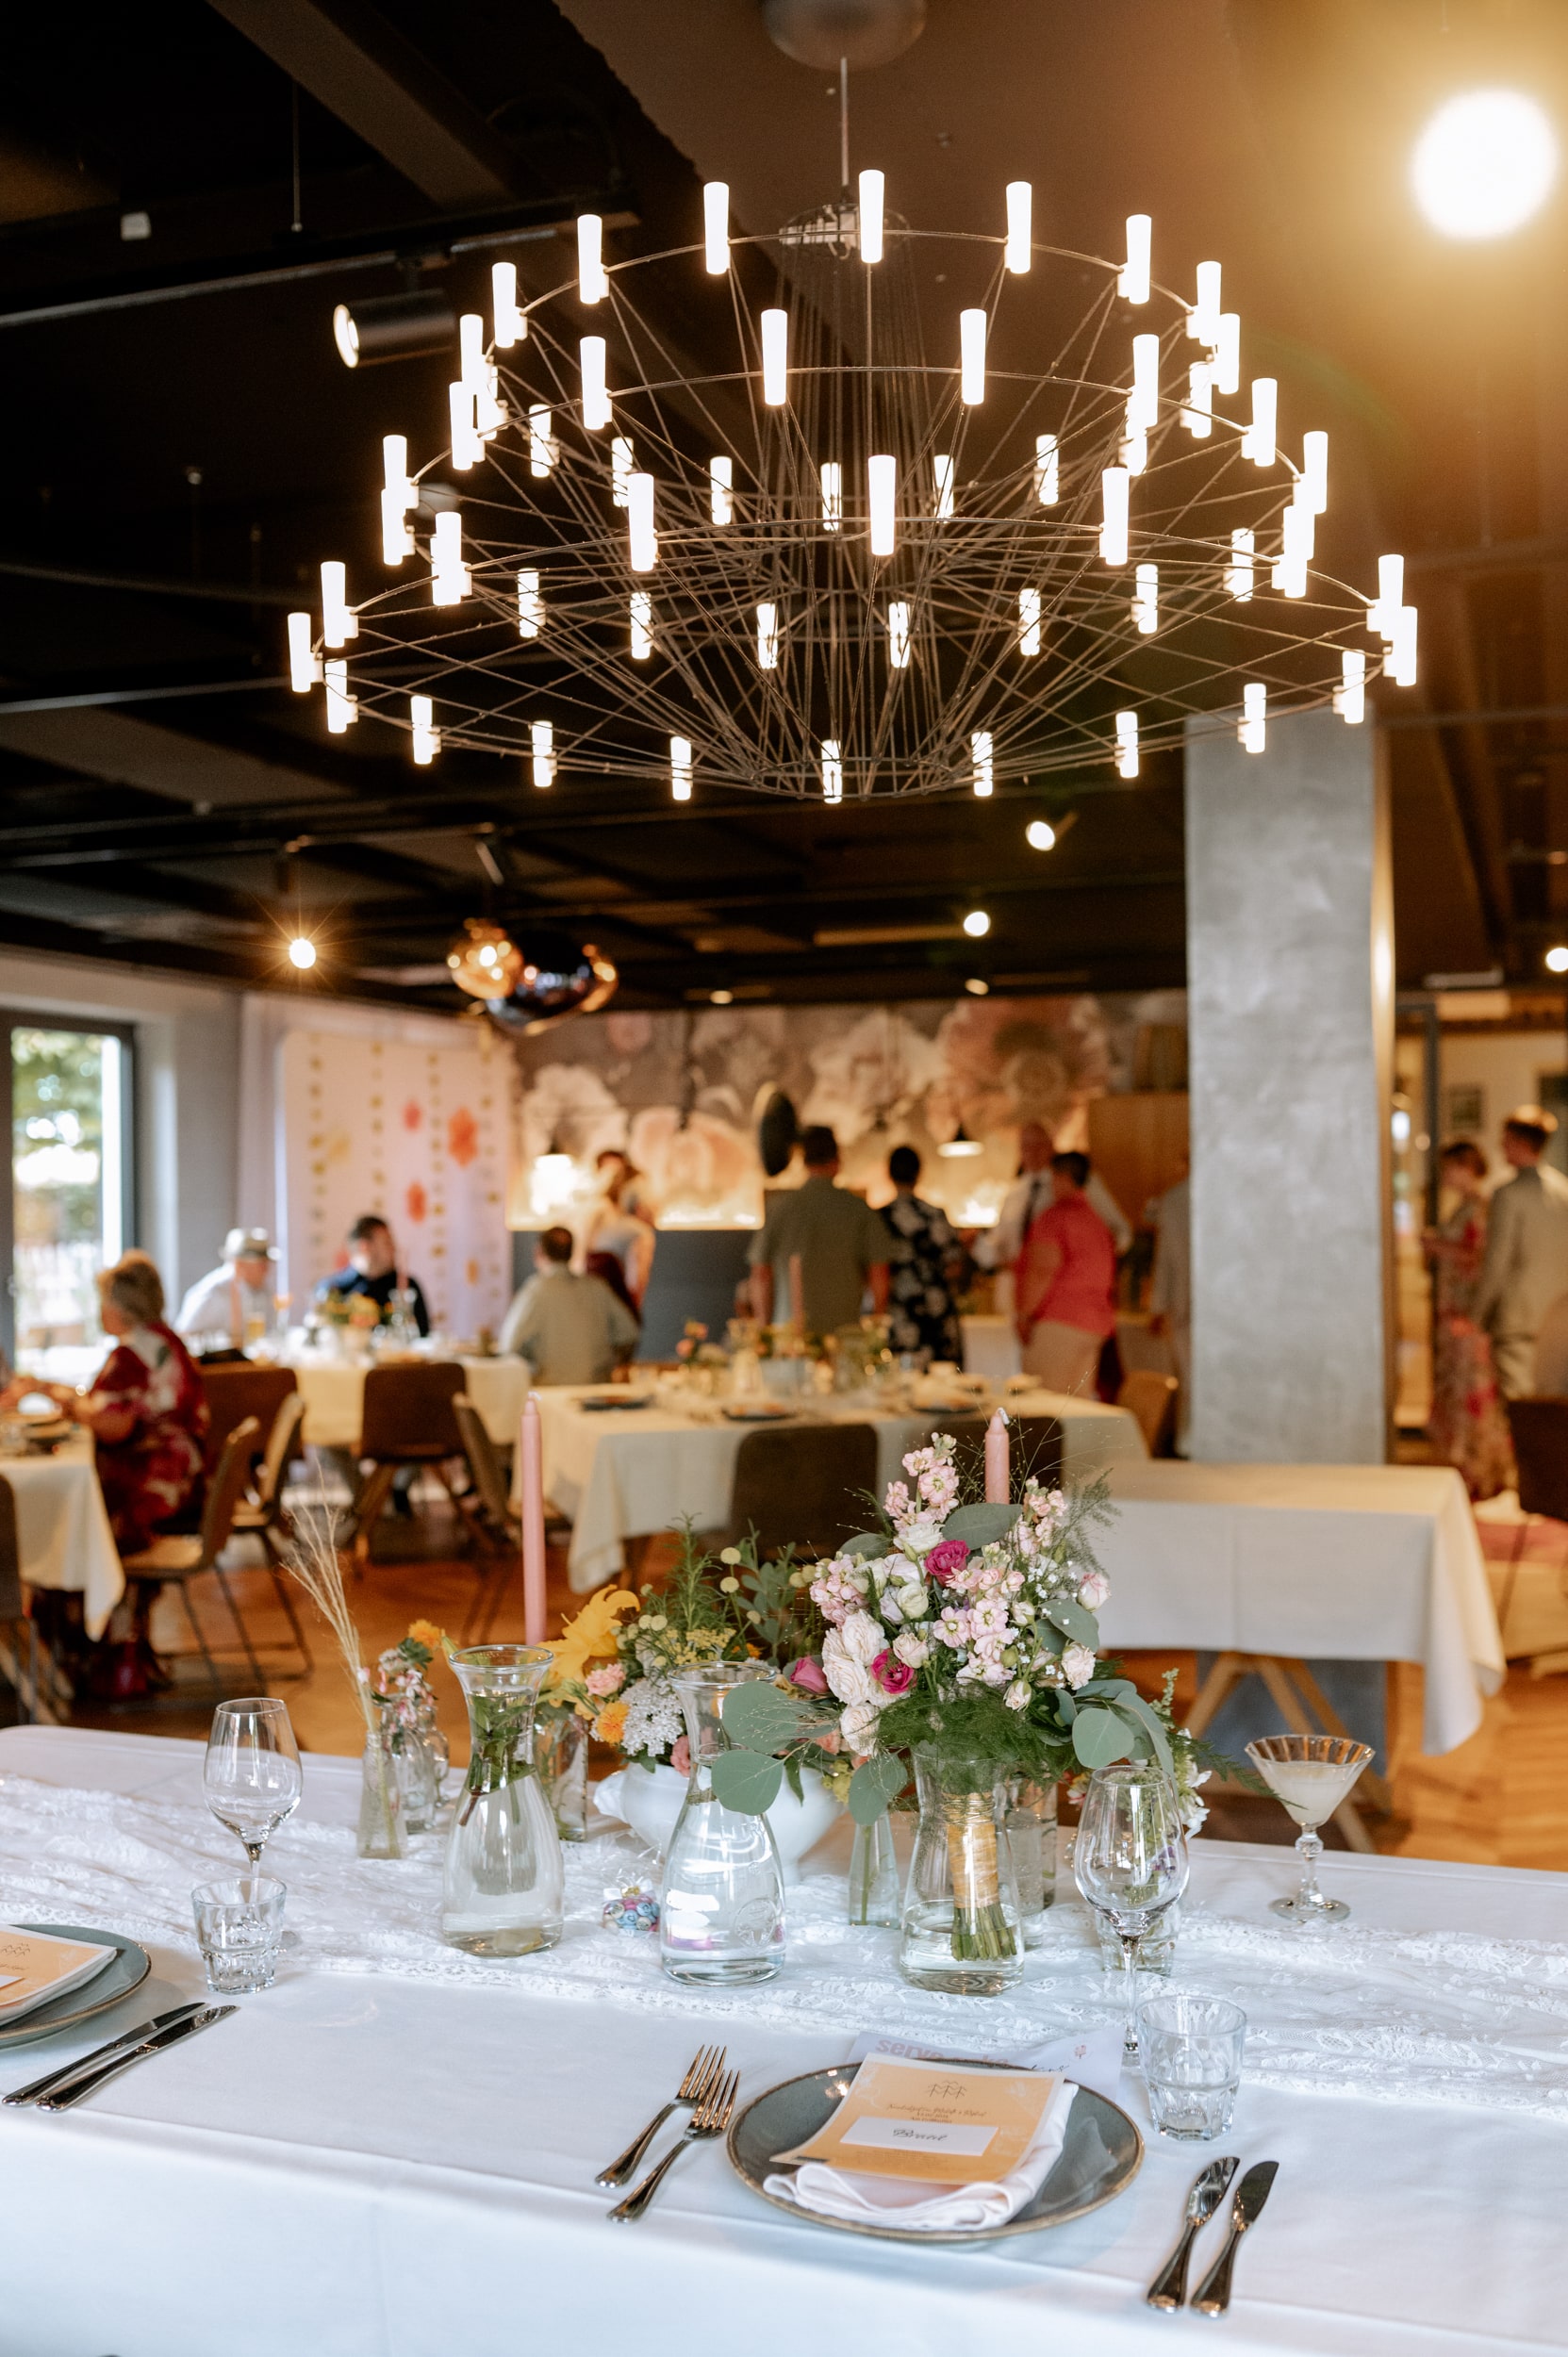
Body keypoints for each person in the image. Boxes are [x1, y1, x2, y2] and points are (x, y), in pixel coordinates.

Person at [2, 1251, 208, 1556]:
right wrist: (45, 1387)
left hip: (158, 1484)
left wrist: (64, 1405)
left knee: (62, 1507)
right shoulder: (163, 1341)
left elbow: (114, 1427)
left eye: (103, 1301)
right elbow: (106, 1402)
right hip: (188, 1474)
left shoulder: (131, 1356)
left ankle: (62, 1579)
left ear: (120, 1307)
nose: (100, 1310)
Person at [1425, 1138, 1514, 1498]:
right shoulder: (1466, 1207)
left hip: (1468, 1313)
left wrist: (1438, 1246)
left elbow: (1480, 1258)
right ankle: (1471, 1468)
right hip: (1456, 1311)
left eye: (1450, 1168)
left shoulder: (1480, 1208)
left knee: (1472, 1390)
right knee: (1462, 1388)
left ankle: (1481, 1470)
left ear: (1465, 1167)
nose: (1446, 1176)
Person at [747, 1125, 890, 1332]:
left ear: (804, 1161)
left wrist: (764, 1331)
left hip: (789, 1335)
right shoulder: (859, 1209)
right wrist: (876, 1328)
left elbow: (761, 1274)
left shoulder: (779, 1208)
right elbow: (879, 1273)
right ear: (837, 1160)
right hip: (845, 1335)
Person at [1472, 1106, 1568, 1398]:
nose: (1501, 1147)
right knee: (1554, 1402)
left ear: (1519, 1142)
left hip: (1519, 1316)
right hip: (1559, 1313)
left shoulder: (1507, 1194)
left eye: (1505, 1140)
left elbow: (1497, 1260)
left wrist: (1477, 1316)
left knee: (1521, 1402)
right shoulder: (1564, 1190)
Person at [1014, 1150, 1117, 1393]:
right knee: (1077, 1405)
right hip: (1094, 1322)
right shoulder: (1095, 1220)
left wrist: (1024, 1315)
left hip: (1060, 1320)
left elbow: (1041, 1271)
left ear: (1062, 1177)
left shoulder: (1055, 1217)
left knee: (1042, 1402)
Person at [973, 1119, 1132, 1273]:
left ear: (1051, 1146)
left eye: (1039, 1145)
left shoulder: (1077, 1183)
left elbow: (1121, 1233)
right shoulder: (1014, 1193)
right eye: (1026, 1147)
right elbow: (999, 1243)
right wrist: (981, 1247)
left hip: (1066, 1281)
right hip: (1020, 1279)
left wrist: (1090, 1266)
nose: (1033, 1152)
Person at [501, 1225, 639, 1384]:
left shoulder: (534, 1292)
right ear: (572, 1253)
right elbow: (630, 1333)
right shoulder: (598, 1288)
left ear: (538, 1252)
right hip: (598, 1390)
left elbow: (508, 1347)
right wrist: (609, 1364)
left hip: (551, 1391)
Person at [881, 1145, 967, 1368]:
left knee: (899, 1377)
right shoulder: (934, 1215)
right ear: (919, 1173)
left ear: (889, 1174)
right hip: (936, 1310)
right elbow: (955, 1266)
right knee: (945, 1379)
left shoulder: (880, 1218)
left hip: (899, 1311)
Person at [315, 1214, 430, 1337]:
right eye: (387, 1243)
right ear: (365, 1247)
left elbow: (423, 1336)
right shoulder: (332, 1290)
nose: (394, 1249)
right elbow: (318, 1335)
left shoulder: (406, 1287)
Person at [1147, 1161, 1191, 1451]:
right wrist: (1159, 1305)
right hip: (1191, 1305)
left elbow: (1165, 1259)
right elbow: (1166, 1258)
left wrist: (1159, 1305)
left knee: (1189, 1380)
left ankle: (1189, 1444)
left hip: (1187, 1303)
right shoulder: (1174, 1200)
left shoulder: (1174, 1199)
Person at [174, 1227, 277, 1351]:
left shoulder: (263, 1291)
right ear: (240, 1264)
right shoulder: (212, 1292)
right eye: (261, 1264)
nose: (266, 1270)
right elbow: (182, 1336)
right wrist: (222, 1342)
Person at [582, 1150, 655, 1314]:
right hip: (618, 1312)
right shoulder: (638, 1232)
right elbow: (636, 1284)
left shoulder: (597, 1221)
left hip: (588, 1308)